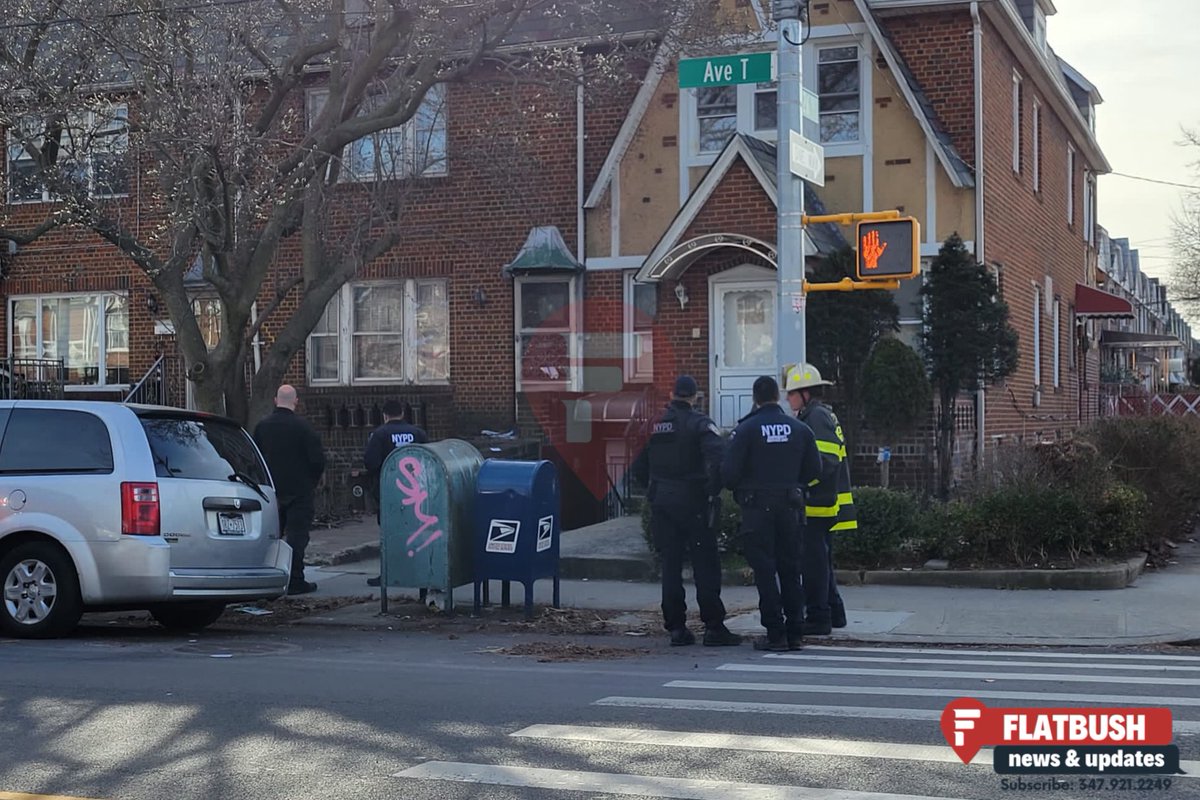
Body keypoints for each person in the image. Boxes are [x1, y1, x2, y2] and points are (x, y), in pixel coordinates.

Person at [630, 375, 742, 648]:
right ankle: (713, 627)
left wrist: (655, 489)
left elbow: (637, 466)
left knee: (670, 565)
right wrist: (711, 489)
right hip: (693, 502)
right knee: (705, 565)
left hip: (662, 502)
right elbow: (720, 458)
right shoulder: (701, 424)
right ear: (694, 396)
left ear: (672, 394)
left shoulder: (654, 424)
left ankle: (677, 629)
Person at [722, 375, 823, 652]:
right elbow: (815, 470)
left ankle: (775, 633)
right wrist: (793, 484)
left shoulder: (746, 430)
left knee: (765, 571)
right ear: (777, 396)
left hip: (757, 509)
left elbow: (729, 474)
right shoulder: (800, 429)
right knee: (790, 569)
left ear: (755, 398)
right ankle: (795, 632)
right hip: (791, 507)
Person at [785, 363, 857, 635]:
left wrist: (801, 484)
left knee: (813, 564)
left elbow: (825, 462)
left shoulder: (816, 417)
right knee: (820, 561)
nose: (788, 398)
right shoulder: (817, 415)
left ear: (805, 393)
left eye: (792, 393)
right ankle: (833, 611)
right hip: (820, 502)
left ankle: (818, 616)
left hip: (817, 504)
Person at [253, 385, 326, 595]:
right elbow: (317, 460)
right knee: (297, 536)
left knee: (270, 535)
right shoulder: (304, 428)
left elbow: (254, 457)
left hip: (271, 490)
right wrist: (311, 482)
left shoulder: (262, 427)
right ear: (296, 402)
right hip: (299, 489)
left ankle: (266, 576)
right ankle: (295, 579)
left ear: (276, 400)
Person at [363, 400, 428, 587]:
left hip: (388, 491)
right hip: (416, 493)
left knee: (389, 533)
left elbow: (370, 462)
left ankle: (389, 572)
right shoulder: (418, 433)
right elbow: (428, 459)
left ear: (385, 415)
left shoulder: (380, 435)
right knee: (416, 530)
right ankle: (418, 570)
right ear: (402, 413)